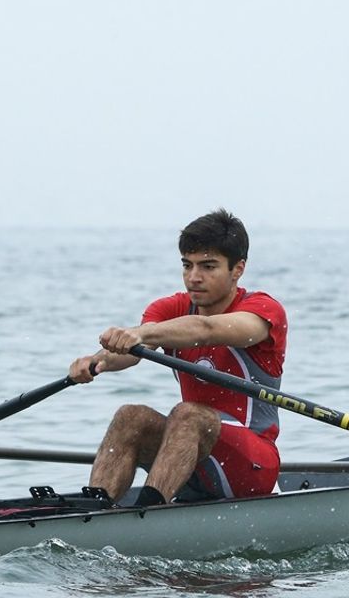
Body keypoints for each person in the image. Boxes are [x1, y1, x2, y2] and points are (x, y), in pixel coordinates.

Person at [68, 209, 287, 507]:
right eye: (187, 265)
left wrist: (144, 335)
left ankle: (150, 512)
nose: (194, 278)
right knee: (131, 416)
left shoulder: (262, 310)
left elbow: (207, 329)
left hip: (253, 467)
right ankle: (94, 510)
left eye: (208, 266)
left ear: (238, 269)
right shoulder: (170, 308)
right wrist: (97, 361)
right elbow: (131, 353)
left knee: (188, 414)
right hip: (192, 458)